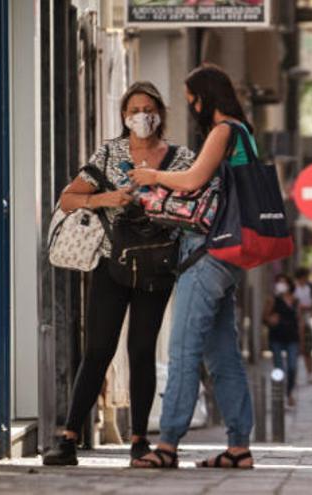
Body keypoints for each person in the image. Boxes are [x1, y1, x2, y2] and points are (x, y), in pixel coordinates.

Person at [42, 82, 196, 466]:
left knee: (142, 351)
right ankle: (69, 436)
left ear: (159, 113)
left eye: (148, 108)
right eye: (134, 110)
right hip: (113, 263)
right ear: (125, 116)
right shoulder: (109, 152)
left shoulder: (179, 158)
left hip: (157, 267)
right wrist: (105, 198)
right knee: (97, 350)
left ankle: (140, 441)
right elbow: (68, 197)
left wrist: (155, 186)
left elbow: (192, 199)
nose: (141, 116)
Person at [127, 64, 257, 469]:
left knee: (183, 349)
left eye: (193, 101)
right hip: (229, 257)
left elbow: (192, 180)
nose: (193, 109)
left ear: (206, 98)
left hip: (206, 254)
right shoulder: (245, 134)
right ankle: (239, 448)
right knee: (223, 356)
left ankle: (167, 445)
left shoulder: (223, 131)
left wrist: (152, 176)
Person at [264, 273, 300, 407]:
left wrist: (300, 341)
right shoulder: (272, 299)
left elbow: (299, 321)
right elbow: (264, 317)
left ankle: (289, 392)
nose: (281, 284)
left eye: (284, 282)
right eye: (279, 282)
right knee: (279, 368)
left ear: (289, 285)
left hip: (292, 338)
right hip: (276, 338)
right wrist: (270, 320)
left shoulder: (295, 301)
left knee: (292, 367)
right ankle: (280, 396)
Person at [294, 267, 312, 381]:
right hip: (295, 322)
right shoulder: (294, 288)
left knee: (308, 348)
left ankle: (311, 373)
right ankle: (293, 375)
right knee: (296, 349)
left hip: (307, 320)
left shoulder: (309, 288)